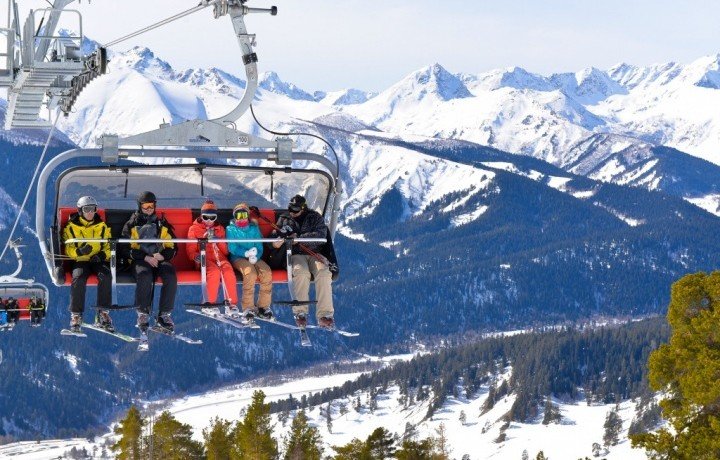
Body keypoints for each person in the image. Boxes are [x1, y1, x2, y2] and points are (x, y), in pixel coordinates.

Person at [272, 194, 338, 328]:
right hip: (295, 254)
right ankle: (300, 312)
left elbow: (320, 234)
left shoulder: (315, 218)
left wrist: (299, 238)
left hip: (314, 253)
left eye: (295, 210)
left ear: (303, 208)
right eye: (290, 209)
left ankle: (325, 314)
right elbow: (275, 235)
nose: (292, 213)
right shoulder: (284, 219)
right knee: (301, 272)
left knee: (324, 273)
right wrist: (278, 239)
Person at [121, 191, 178, 333]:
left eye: (151, 206)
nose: (148, 209)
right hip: (139, 260)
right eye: (145, 206)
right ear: (140, 206)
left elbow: (173, 246)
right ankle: (143, 313)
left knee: (170, 274)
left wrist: (163, 256)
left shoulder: (161, 224)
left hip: (158, 258)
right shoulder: (131, 224)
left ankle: (164, 314)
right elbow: (123, 247)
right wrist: (144, 257)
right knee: (145, 274)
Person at [62, 196, 113, 333]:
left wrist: (102, 255)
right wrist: (79, 251)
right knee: (78, 277)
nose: (91, 212)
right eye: (87, 209)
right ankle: (76, 315)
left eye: (93, 209)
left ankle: (103, 313)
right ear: (80, 211)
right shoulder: (71, 228)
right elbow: (68, 248)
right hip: (81, 260)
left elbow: (109, 245)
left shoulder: (102, 227)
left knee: (106, 276)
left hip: (97, 260)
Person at [186, 199, 239, 317]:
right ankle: (208, 303)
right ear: (201, 216)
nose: (209, 221)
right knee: (214, 272)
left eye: (212, 218)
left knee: (228, 271)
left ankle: (231, 304)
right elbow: (190, 249)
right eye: (206, 217)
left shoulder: (219, 229)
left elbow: (225, 251)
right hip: (204, 258)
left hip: (219, 257)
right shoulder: (194, 229)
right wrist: (196, 256)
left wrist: (218, 240)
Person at [227, 202, 273, 321]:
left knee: (266, 272)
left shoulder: (254, 228)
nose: (241, 219)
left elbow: (259, 245)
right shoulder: (231, 229)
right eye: (238, 216)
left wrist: (256, 256)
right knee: (250, 273)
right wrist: (246, 254)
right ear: (234, 217)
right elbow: (232, 247)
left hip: (254, 257)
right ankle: (248, 307)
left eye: (244, 215)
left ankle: (263, 306)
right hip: (238, 258)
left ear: (247, 216)